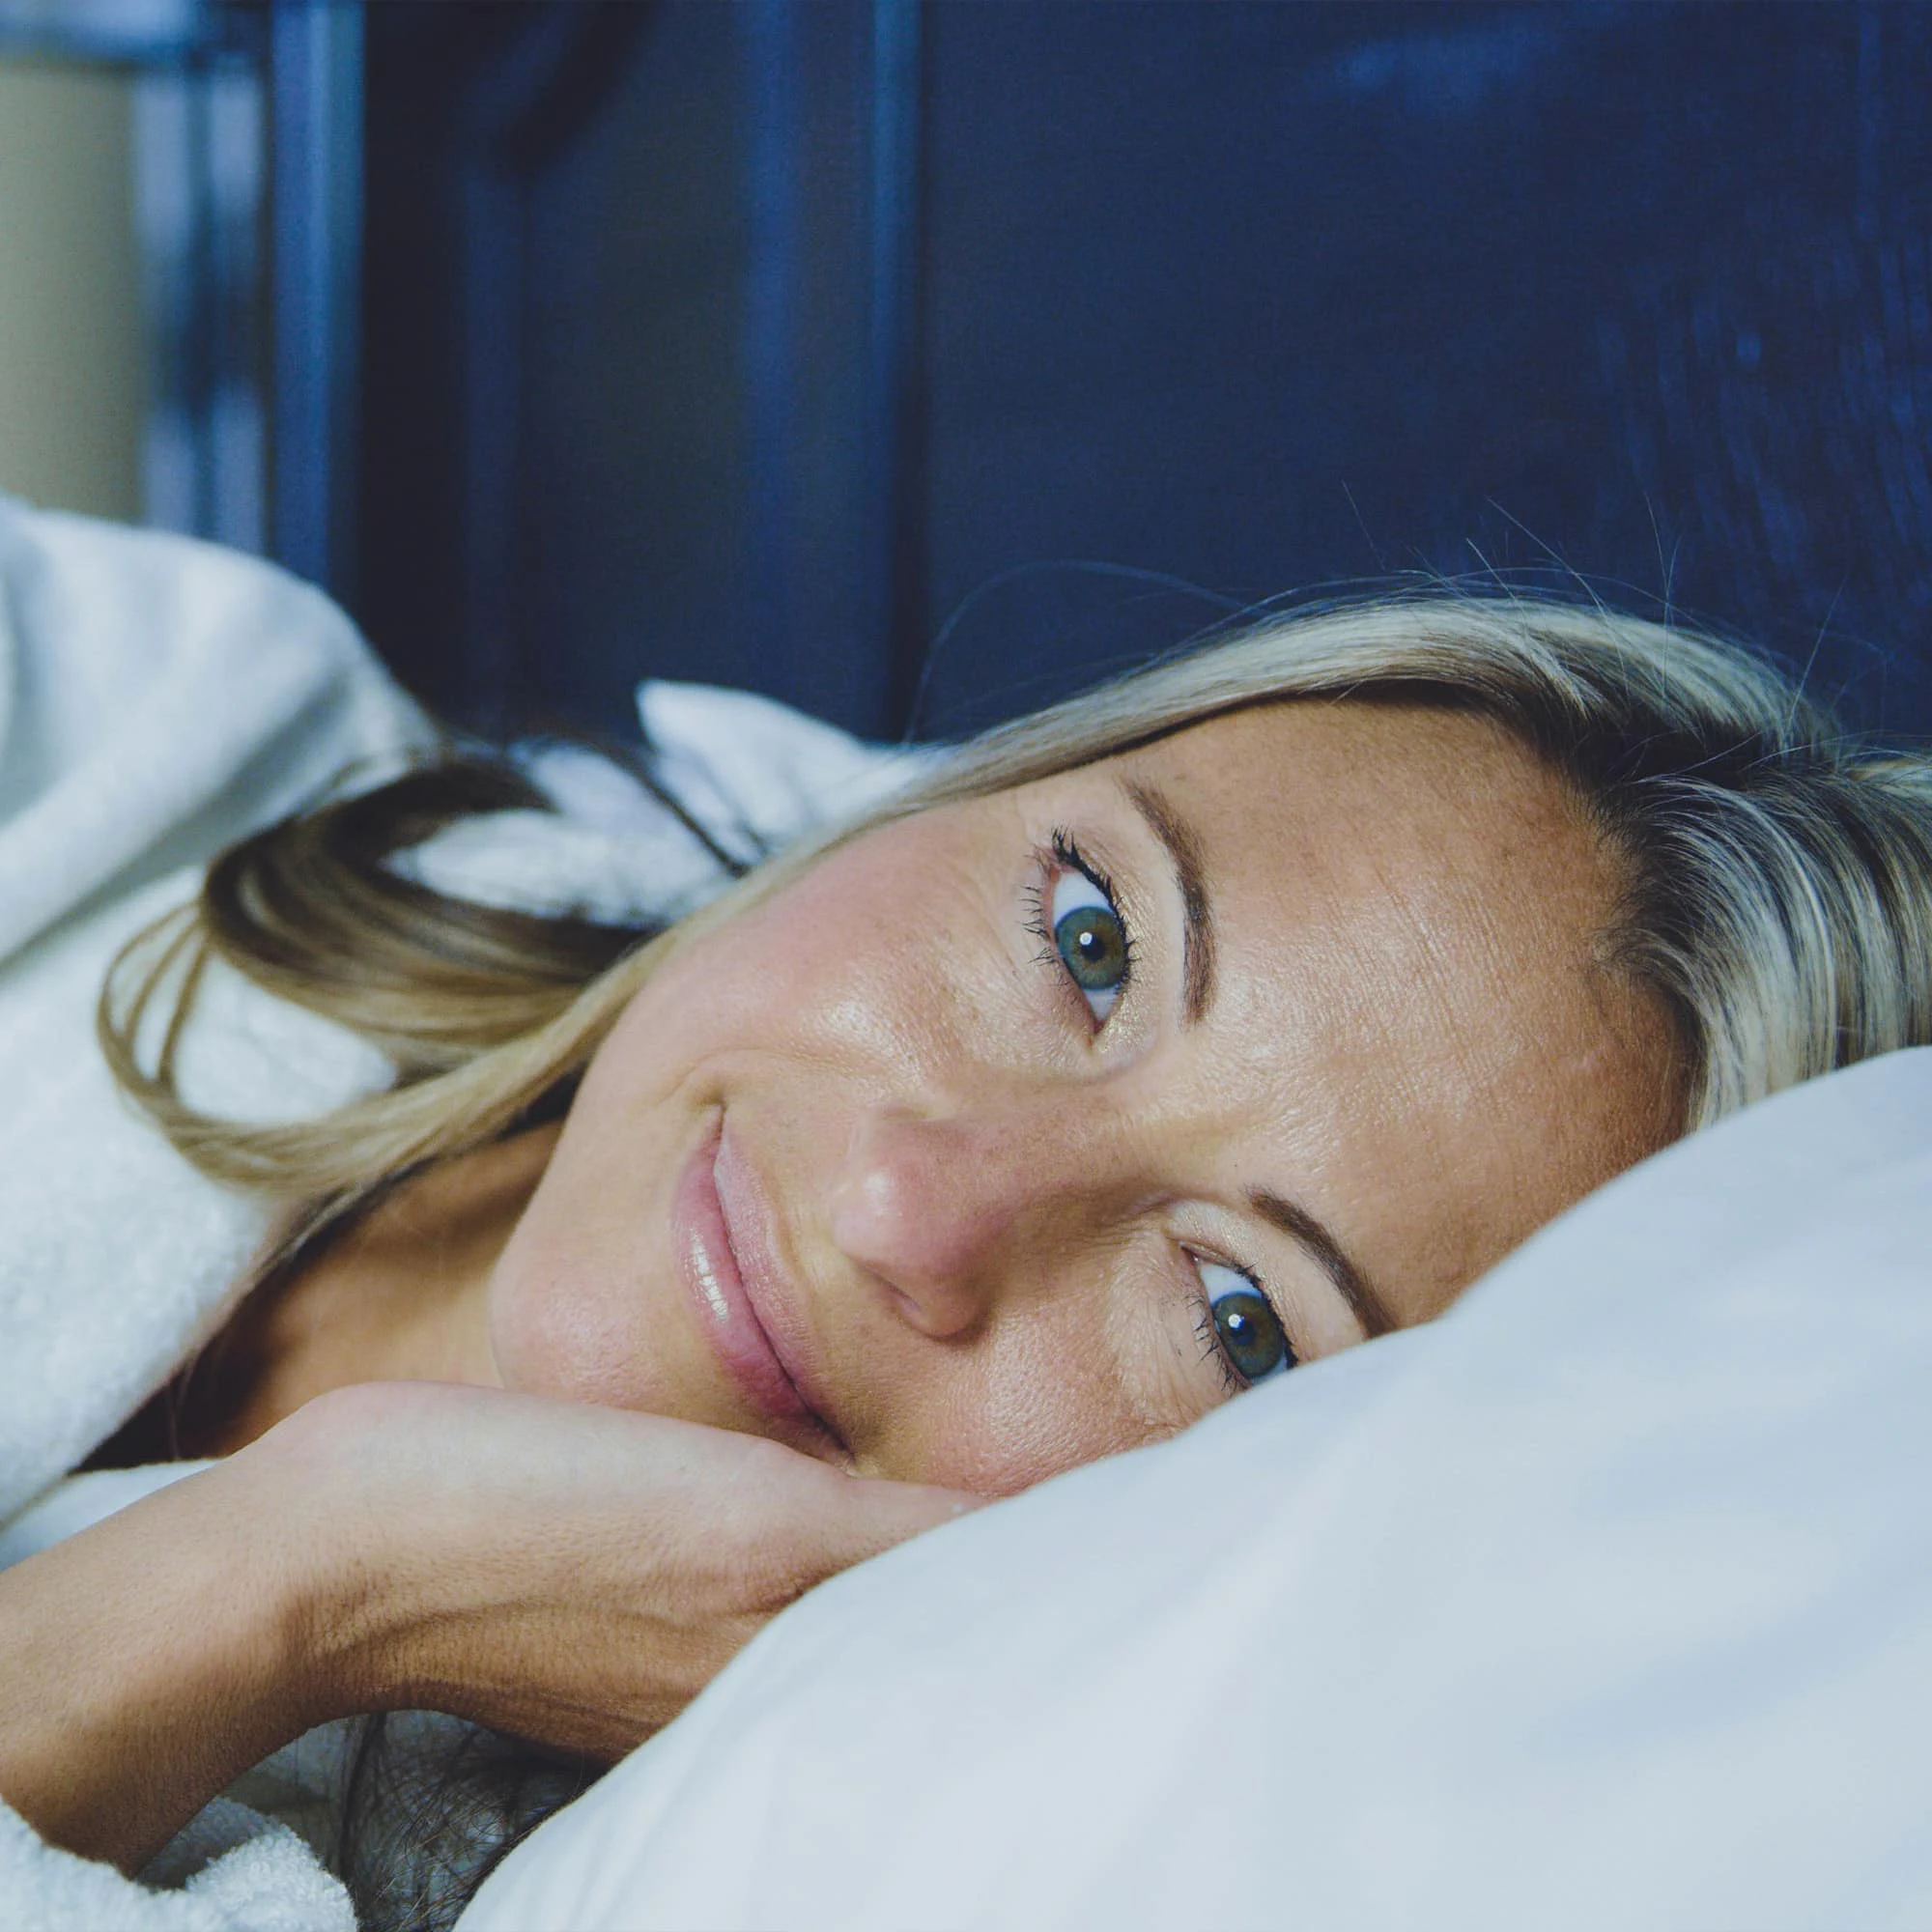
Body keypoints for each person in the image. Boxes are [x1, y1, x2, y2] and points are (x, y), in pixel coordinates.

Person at [1, 502, 1929, 1931]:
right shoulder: (173, 729)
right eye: (1088, 937)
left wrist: (305, 1572)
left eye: (1239, 1319)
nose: (919, 1202)